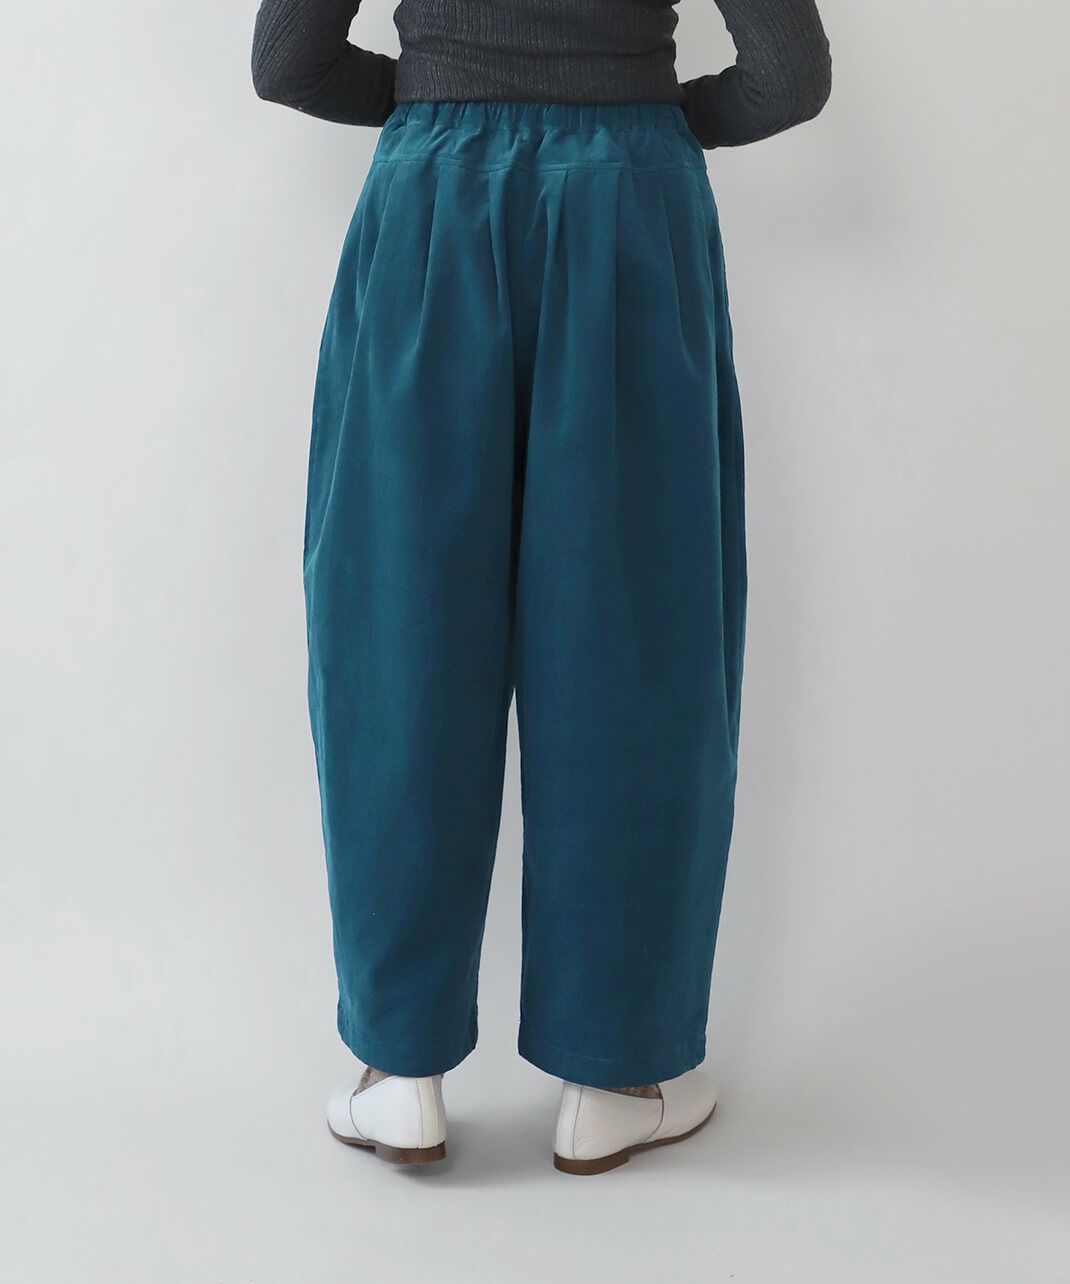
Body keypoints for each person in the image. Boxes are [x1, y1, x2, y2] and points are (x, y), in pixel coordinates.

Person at [251, 0, 830, 1175]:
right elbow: (785, 75)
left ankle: (400, 1072)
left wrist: (432, 91)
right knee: (633, 643)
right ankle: (615, 1078)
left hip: (428, 202)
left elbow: (287, 62)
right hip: (630, 200)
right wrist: (645, 115)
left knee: (400, 634)